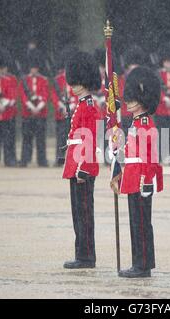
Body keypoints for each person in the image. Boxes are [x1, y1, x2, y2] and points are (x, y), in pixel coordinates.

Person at [110, 67, 163, 278]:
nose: (128, 102)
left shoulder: (145, 123)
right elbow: (130, 153)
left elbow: (150, 158)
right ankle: (140, 263)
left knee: (141, 223)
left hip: (140, 180)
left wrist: (145, 181)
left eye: (132, 99)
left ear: (143, 99)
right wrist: (117, 149)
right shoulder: (135, 123)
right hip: (132, 177)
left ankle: (142, 265)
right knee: (136, 222)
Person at [62, 51, 100, 269]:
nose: (73, 85)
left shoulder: (88, 107)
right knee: (79, 214)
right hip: (75, 165)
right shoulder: (82, 105)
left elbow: (89, 139)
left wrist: (82, 169)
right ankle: (82, 253)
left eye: (76, 82)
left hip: (82, 169)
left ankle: (86, 256)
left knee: (84, 214)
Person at [18, 49, 50, 167]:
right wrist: (31, 106)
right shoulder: (24, 80)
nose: (34, 70)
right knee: (27, 139)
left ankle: (42, 160)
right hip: (28, 113)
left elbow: (46, 94)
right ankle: (25, 159)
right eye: (32, 67)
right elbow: (22, 95)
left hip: (40, 113)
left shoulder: (44, 80)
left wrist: (39, 105)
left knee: (40, 139)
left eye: (36, 67)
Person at [51, 46, 79, 167]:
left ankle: (73, 158)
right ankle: (60, 158)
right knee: (61, 136)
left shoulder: (76, 78)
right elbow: (53, 94)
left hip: (73, 112)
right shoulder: (58, 79)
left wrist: (72, 105)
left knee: (74, 136)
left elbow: (78, 93)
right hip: (61, 112)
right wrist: (60, 105)